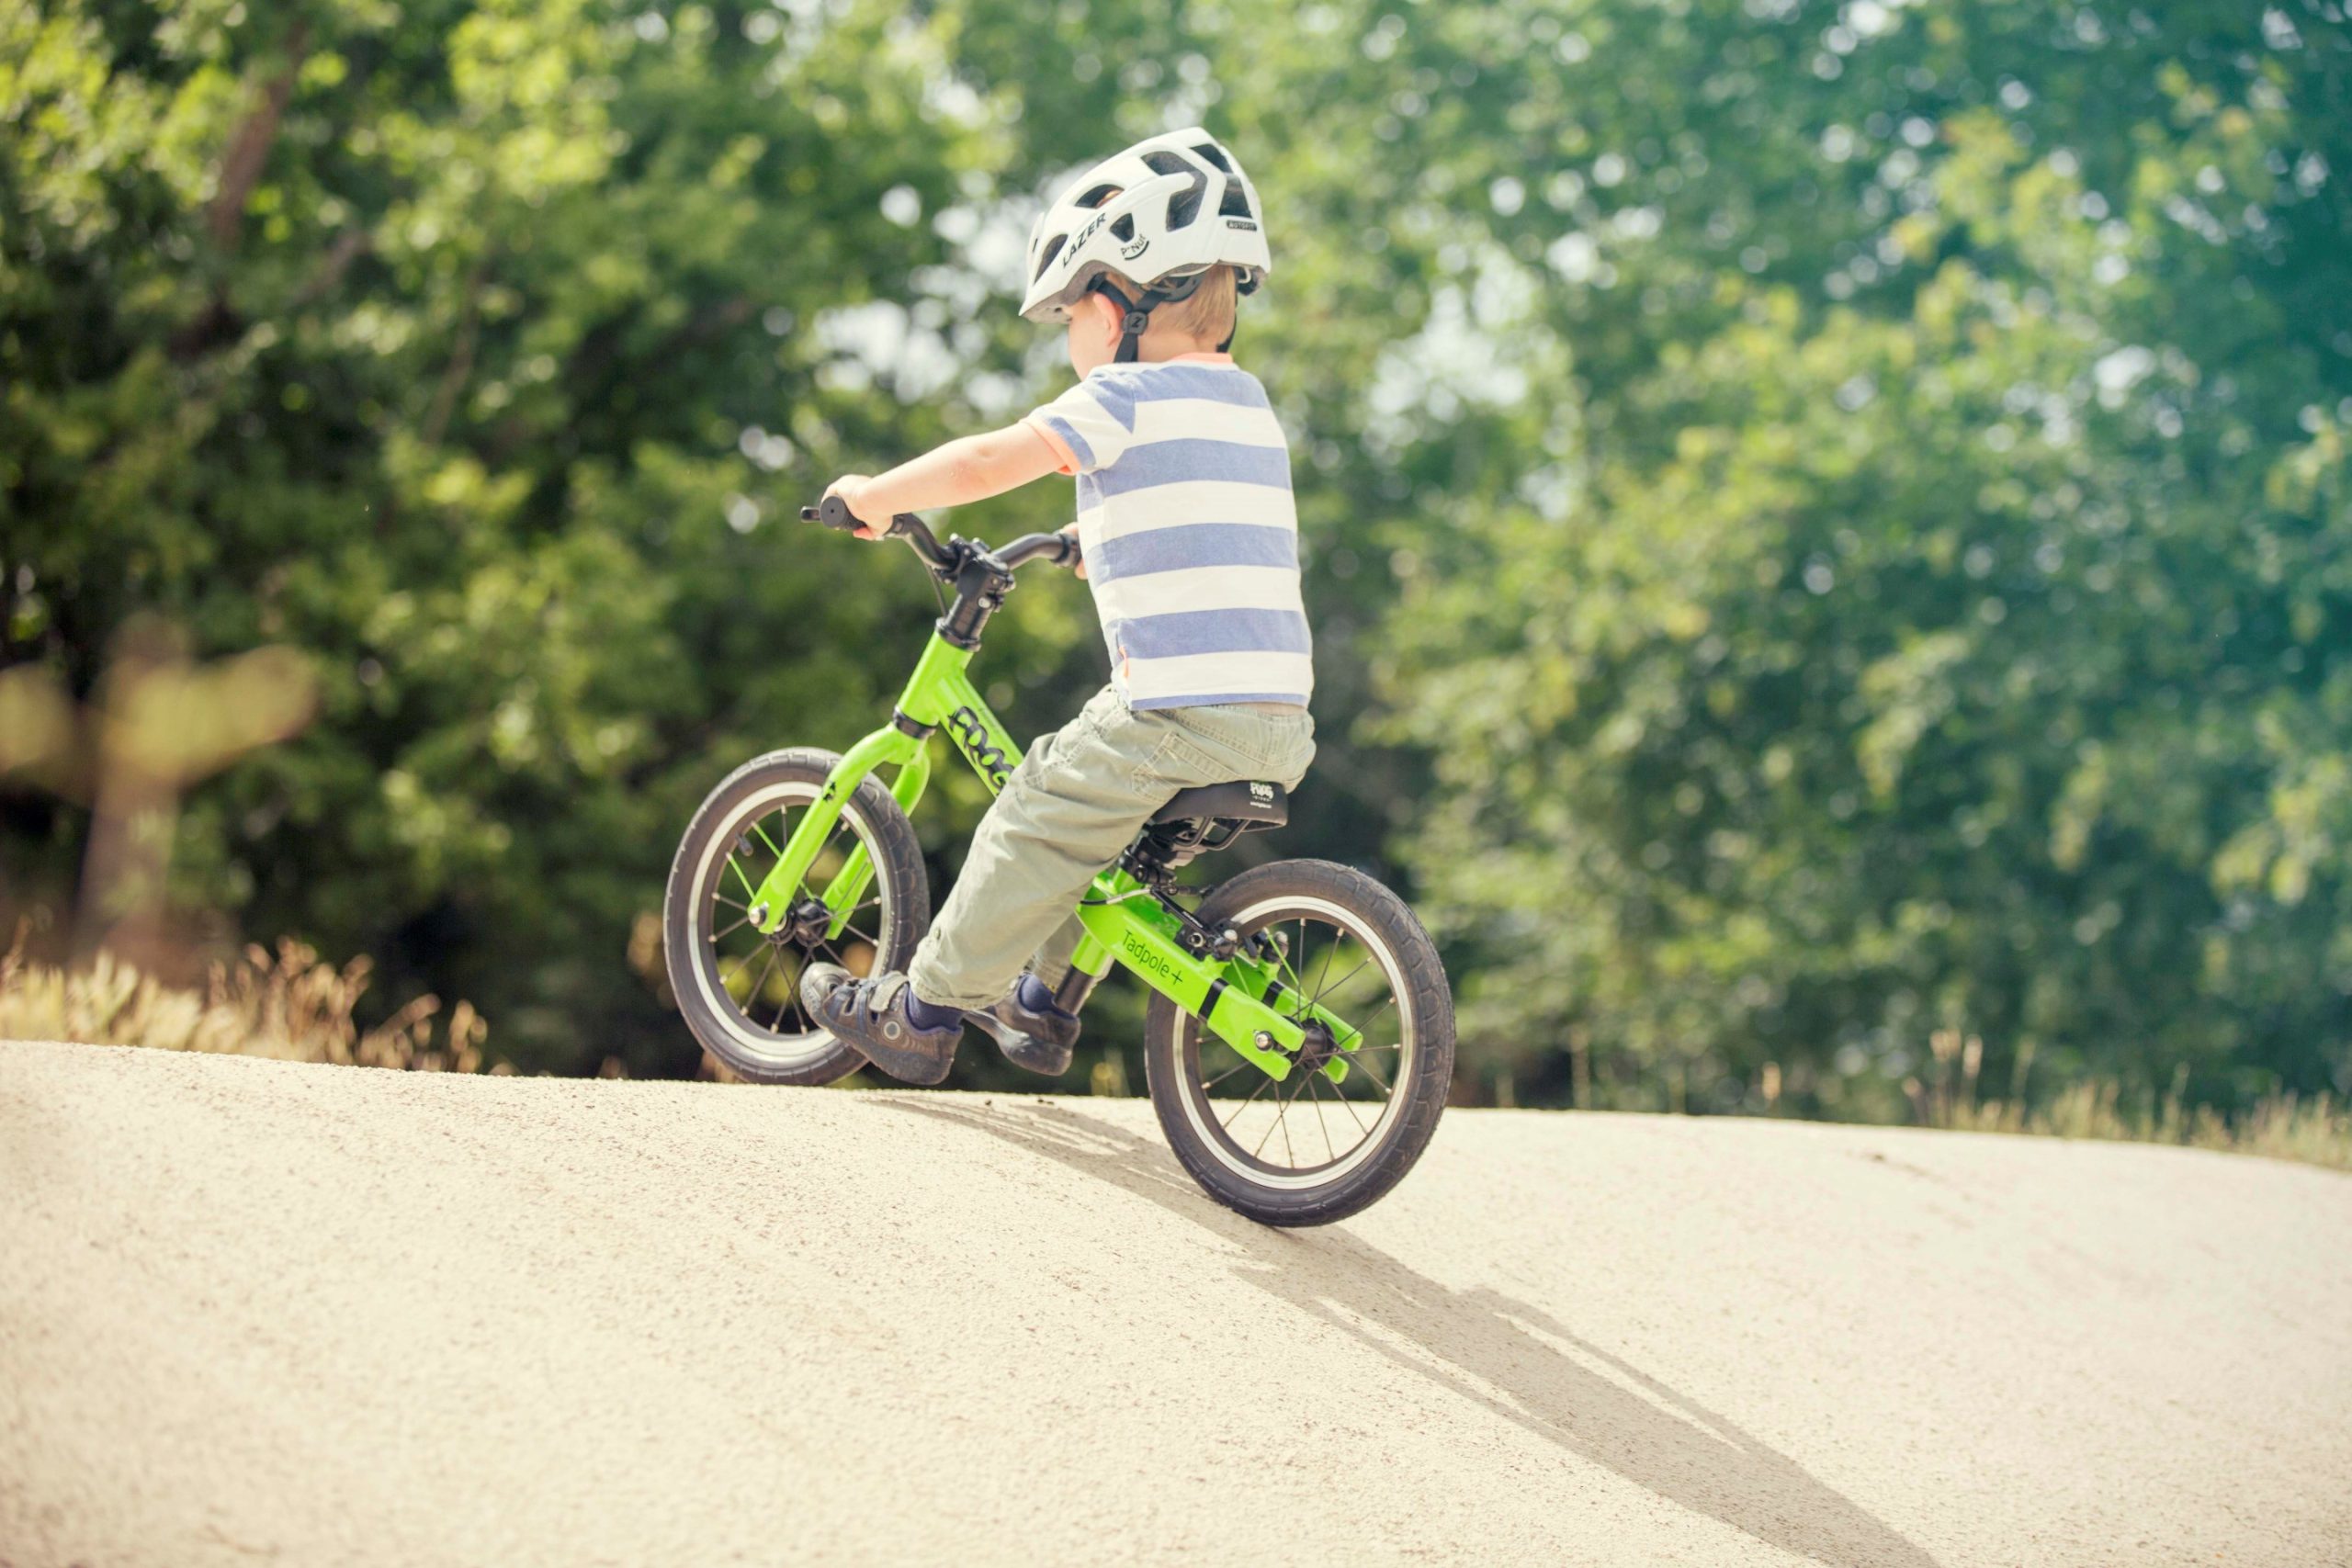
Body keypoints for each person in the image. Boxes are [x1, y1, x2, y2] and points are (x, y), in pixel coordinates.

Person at [800, 127, 1316, 1086]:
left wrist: (875, 494)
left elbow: (988, 461)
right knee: (1105, 845)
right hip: (1279, 725)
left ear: (1118, 306)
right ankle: (1041, 1003)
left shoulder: (1121, 396)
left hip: (1175, 714)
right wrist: (1095, 536)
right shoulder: (1249, 406)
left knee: (1035, 813)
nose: (1069, 334)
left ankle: (921, 1012)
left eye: (1069, 310)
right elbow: (1205, 520)